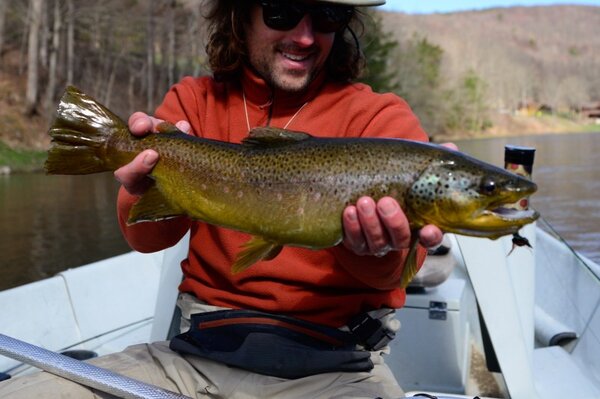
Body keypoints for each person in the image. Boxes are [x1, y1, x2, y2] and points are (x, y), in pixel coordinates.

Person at [0, 0, 447, 397]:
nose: (305, 35)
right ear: (239, 15)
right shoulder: (194, 102)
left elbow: (390, 272)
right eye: (282, 12)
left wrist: (373, 246)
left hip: (334, 371)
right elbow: (146, 238)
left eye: (328, 16)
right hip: (192, 359)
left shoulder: (381, 120)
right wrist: (140, 185)